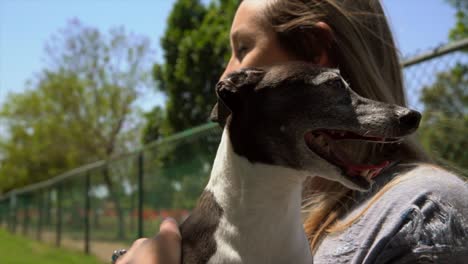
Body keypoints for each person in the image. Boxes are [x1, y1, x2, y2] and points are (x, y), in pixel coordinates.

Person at [115, 0, 468, 263]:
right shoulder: (274, 216)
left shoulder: (423, 213)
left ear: (314, 51)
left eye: (243, 49)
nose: (224, 76)